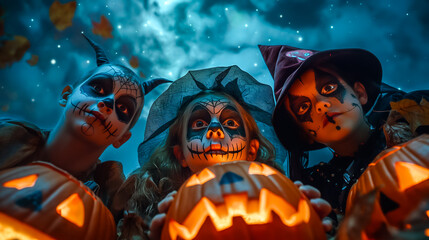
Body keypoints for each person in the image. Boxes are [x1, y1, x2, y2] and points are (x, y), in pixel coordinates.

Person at [115, 66, 332, 239]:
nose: (215, 130)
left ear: (252, 150)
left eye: (230, 122)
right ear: (180, 154)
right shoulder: (159, 217)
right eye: (199, 123)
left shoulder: (285, 197)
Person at [259, 45, 429, 219]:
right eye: (303, 107)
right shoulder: (325, 191)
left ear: (360, 93)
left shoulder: (416, 115)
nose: (321, 105)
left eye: (328, 88)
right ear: (304, 134)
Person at [0, 34, 169, 209]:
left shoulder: (110, 196)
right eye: (98, 88)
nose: (108, 103)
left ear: (122, 138)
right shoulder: (9, 139)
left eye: (124, 108)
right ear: (66, 96)